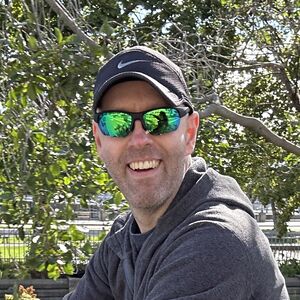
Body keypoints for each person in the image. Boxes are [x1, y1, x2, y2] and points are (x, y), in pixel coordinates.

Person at [63, 46, 289, 300]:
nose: (139, 140)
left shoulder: (215, 241)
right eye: (117, 123)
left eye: (160, 119)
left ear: (190, 133)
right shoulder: (123, 239)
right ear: (99, 140)